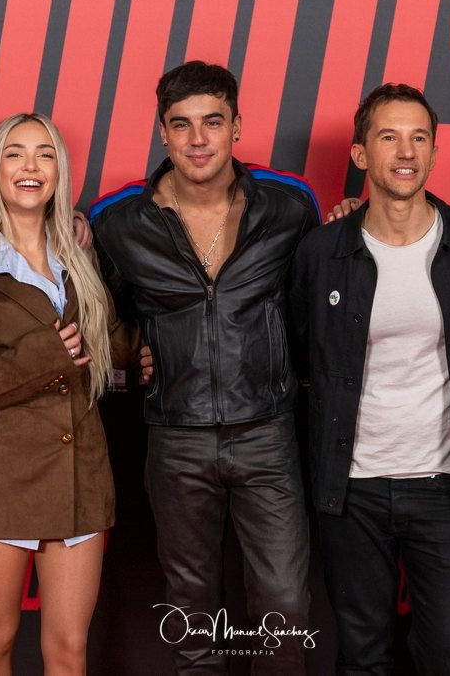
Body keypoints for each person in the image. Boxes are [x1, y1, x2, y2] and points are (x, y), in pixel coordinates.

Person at [91, 61, 318, 673]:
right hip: (176, 437)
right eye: (181, 124)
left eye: (212, 122)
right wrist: (134, 347)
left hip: (267, 431)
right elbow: (97, 315)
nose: (197, 139)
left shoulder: (290, 204)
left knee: (285, 607)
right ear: (162, 132)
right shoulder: (118, 220)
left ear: (236, 126)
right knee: (191, 609)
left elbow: (321, 287)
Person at [0, 113, 137, 675]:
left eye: (45, 153)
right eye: (14, 153)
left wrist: (143, 350)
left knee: (69, 650)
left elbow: (114, 350)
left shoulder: (82, 263)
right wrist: (42, 356)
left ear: (59, 173)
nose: (30, 165)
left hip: (81, 475)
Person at [290, 84, 450, 675]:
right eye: (388, 137)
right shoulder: (321, 252)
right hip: (351, 489)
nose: (406, 151)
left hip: (447, 487)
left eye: (419, 137)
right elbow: (300, 357)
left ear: (433, 152)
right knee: (362, 657)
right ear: (360, 154)